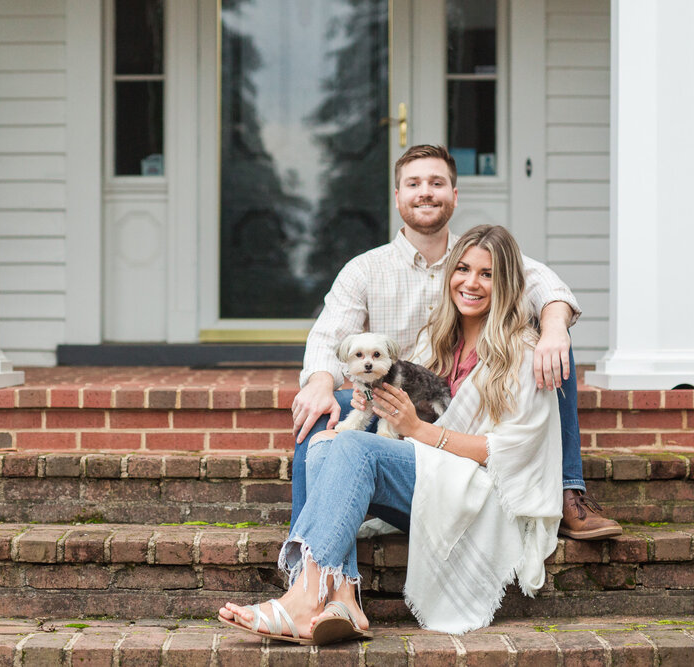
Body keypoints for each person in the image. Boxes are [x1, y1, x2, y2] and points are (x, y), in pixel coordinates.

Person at [219, 225, 562, 641]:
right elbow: (389, 400)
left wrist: (415, 428)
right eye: (464, 269)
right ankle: (343, 599)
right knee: (324, 444)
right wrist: (369, 402)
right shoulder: (435, 342)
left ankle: (304, 598)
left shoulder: (525, 352)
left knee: (353, 448)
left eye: (487, 274)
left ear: (506, 282)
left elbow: (509, 452)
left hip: (478, 492)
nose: (471, 283)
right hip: (430, 477)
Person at [291, 145, 620, 540]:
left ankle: (567, 491)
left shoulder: (476, 254)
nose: (425, 192)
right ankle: (306, 549)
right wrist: (320, 383)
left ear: (454, 195)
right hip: (392, 398)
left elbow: (546, 286)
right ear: (397, 196)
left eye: (437, 183)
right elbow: (330, 333)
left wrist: (554, 329)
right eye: (413, 183)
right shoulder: (365, 269)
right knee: (321, 417)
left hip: (458, 402)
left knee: (555, 345)